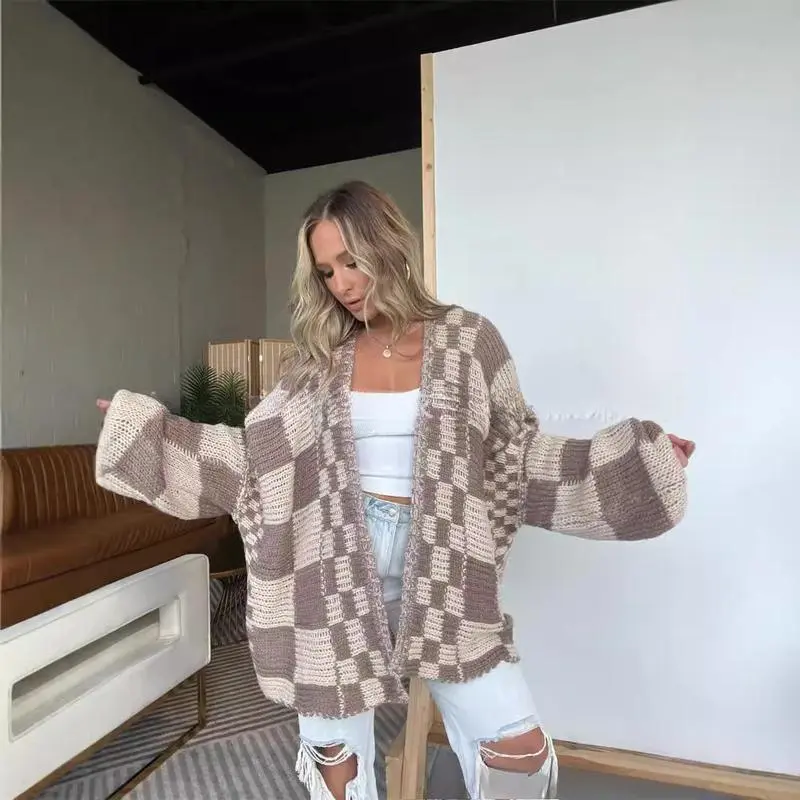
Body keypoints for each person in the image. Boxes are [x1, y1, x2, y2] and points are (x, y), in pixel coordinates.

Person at [95, 180, 694, 800]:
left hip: (446, 562)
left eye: (351, 261)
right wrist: (149, 436)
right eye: (326, 271)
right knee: (337, 766)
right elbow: (256, 463)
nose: (342, 284)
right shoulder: (317, 362)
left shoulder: (470, 340)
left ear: (389, 245)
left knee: (516, 752)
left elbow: (518, 458)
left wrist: (638, 469)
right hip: (329, 564)